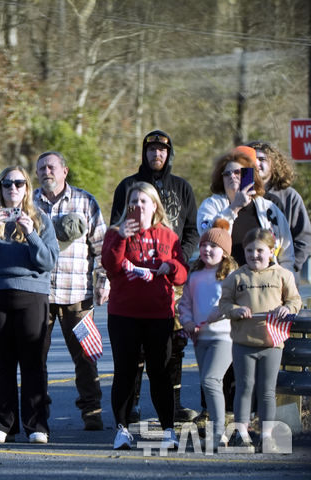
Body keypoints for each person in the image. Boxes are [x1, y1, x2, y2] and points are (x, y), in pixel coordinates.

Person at [109, 130, 199, 423]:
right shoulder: (127, 186)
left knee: (171, 352)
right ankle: (131, 406)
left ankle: (172, 406)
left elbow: (192, 231)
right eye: (151, 149)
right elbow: (115, 228)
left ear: (169, 153)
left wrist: (177, 259)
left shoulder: (182, 188)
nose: (156, 154)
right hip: (132, 282)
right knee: (130, 356)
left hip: (170, 278)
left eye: (162, 150)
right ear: (144, 153)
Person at [0, 166, 59, 444]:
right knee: (4, 364)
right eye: (7, 183)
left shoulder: (41, 220)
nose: (13, 188)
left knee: (33, 362)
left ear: (27, 189)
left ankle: (37, 425)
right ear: (0, 187)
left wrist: (31, 233)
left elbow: (47, 262)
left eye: (19, 183)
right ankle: (4, 425)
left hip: (31, 297)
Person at [101, 181, 188, 451]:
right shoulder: (116, 233)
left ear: (154, 206)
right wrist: (121, 236)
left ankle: (168, 430)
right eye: (134, 202)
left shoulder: (168, 236)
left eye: (143, 202)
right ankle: (122, 429)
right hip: (124, 314)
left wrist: (170, 265)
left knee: (161, 373)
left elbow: (182, 274)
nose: (138, 206)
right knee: (125, 373)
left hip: (158, 314)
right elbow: (110, 265)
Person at [33, 151, 108, 431]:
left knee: (86, 358)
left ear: (65, 171)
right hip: (38, 296)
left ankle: (92, 412)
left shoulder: (85, 201)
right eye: (41, 168)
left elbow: (101, 246)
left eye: (51, 167)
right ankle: (37, 414)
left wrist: (103, 280)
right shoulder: (29, 203)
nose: (46, 172)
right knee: (34, 358)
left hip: (78, 296)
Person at [219, 228, 302, 451]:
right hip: (243, 343)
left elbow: (295, 301)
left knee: (267, 390)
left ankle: (267, 435)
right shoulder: (237, 277)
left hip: (271, 343)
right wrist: (235, 310)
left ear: (271, 250)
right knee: (244, 388)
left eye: (259, 250)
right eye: (249, 250)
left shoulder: (283, 275)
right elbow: (223, 304)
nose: (254, 255)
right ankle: (242, 433)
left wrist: (287, 308)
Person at [178, 219, 237, 450]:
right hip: (200, 338)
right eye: (204, 245)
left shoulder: (231, 275)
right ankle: (216, 427)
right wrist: (188, 321)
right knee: (209, 382)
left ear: (225, 252)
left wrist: (220, 312)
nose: (207, 250)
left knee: (211, 380)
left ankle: (218, 431)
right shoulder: (194, 276)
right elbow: (185, 305)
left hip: (225, 338)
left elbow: (233, 303)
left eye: (213, 246)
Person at [197, 148, 294, 272]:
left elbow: (286, 253)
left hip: (266, 283)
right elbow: (209, 237)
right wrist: (234, 207)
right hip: (225, 282)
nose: (232, 176)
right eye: (227, 174)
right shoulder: (210, 206)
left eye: (237, 172)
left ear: (250, 175)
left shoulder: (269, 209)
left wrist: (286, 281)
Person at [246, 140, 311, 280]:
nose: (257, 163)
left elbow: (304, 239)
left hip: (282, 277)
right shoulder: (237, 196)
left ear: (274, 164)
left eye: (262, 159)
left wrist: (290, 268)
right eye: (252, 159)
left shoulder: (289, 196)